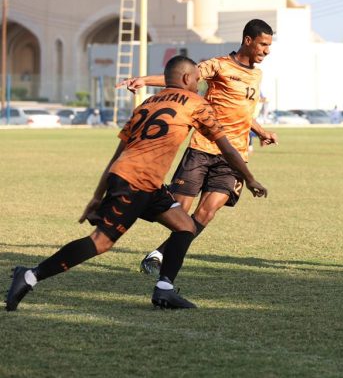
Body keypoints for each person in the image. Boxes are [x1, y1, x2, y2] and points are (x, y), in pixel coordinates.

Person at [5, 56, 268, 311]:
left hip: (142, 181)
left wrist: (97, 195)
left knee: (185, 226)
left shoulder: (147, 104)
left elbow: (118, 154)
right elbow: (227, 148)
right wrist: (249, 178)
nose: (199, 84)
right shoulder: (196, 103)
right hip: (136, 182)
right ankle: (30, 275)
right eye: (197, 79)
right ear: (187, 78)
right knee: (100, 242)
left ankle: (165, 288)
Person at [119, 19, 278, 275]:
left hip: (233, 155)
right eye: (263, 44)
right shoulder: (219, 65)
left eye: (269, 45)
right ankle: (137, 206)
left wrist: (260, 131)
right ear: (248, 40)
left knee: (207, 212)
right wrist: (144, 80)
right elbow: (181, 79)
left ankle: (159, 255)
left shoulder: (257, 75)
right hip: (203, 147)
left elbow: (243, 112)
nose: (267, 51)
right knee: (179, 211)